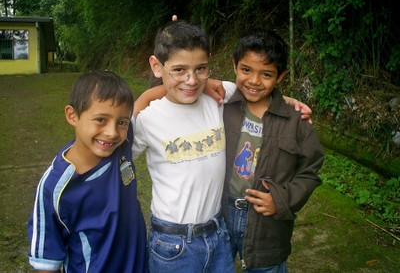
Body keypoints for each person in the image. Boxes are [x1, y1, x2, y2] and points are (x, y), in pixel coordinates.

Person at [131, 20, 236, 273]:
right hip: (172, 245)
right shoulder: (148, 118)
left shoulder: (217, 99)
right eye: (179, 70)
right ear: (157, 66)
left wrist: (288, 102)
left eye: (201, 69)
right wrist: (145, 98)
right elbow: (114, 154)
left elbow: (256, 93)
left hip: (218, 237)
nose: (191, 80)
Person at [221, 30, 324, 272]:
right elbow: (181, 87)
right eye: (246, 70)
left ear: (280, 77)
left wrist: (282, 200)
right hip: (220, 216)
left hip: (267, 226)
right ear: (234, 65)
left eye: (266, 74)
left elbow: (310, 171)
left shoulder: (295, 121)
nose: (254, 81)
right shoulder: (221, 107)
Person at [28, 70, 148, 273]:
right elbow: (46, 263)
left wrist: (205, 84)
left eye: (121, 122)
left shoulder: (121, 144)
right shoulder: (54, 188)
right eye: (101, 119)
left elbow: (146, 99)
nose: (111, 132)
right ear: (72, 115)